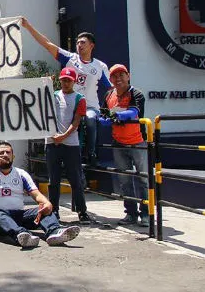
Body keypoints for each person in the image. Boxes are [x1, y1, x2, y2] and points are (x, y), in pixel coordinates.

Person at [21, 18, 112, 165]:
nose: (79, 45)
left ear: (91, 45)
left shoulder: (100, 66)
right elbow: (47, 44)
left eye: (83, 42)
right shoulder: (70, 58)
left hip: (89, 106)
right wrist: (28, 26)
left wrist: (111, 110)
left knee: (89, 120)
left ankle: (91, 153)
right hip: (69, 105)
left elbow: (111, 88)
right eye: (77, 42)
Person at [0, 142, 80, 248]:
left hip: (19, 216)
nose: (5, 155)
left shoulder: (21, 173)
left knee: (42, 209)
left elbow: (36, 194)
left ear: (13, 156)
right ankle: (21, 235)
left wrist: (46, 203)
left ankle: (54, 232)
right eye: (1, 153)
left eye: (8, 152)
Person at [99, 64, 150, 227]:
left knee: (143, 179)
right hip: (118, 143)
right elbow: (103, 115)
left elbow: (134, 112)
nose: (118, 78)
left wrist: (115, 115)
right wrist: (104, 120)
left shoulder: (137, 94)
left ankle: (147, 214)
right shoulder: (108, 95)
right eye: (114, 76)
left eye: (122, 75)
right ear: (111, 80)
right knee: (124, 180)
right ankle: (131, 214)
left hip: (138, 142)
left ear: (128, 76)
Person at [47, 67, 91, 224]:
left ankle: (82, 211)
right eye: (63, 80)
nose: (65, 83)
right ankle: (54, 210)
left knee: (75, 179)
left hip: (71, 143)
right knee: (53, 180)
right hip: (52, 142)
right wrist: (53, 135)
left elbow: (77, 121)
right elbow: (42, 111)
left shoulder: (80, 98)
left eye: (68, 80)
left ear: (74, 81)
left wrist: (64, 136)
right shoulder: (53, 95)